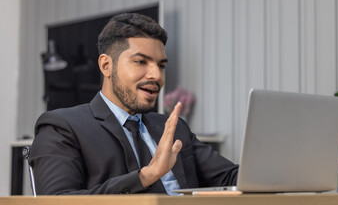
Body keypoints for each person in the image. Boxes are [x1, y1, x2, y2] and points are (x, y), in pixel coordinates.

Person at [29, 13, 238, 195]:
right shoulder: (62, 127)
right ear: (106, 65)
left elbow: (232, 179)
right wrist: (146, 176)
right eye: (141, 61)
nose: (156, 75)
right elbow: (57, 200)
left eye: (161, 65)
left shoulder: (174, 128)